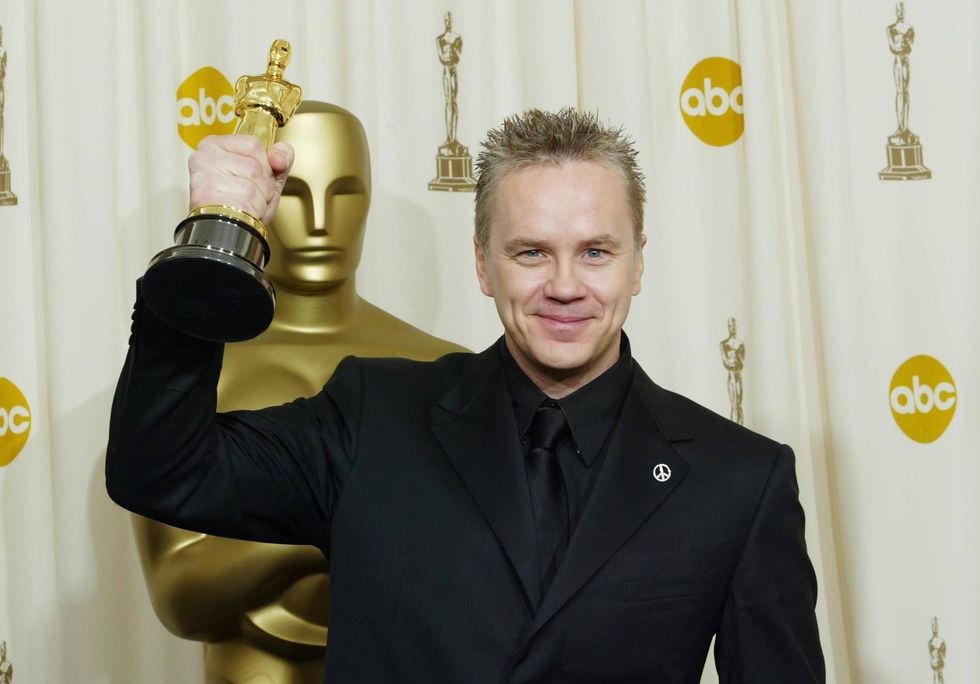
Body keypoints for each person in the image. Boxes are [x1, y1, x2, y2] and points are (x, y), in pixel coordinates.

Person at [107, 108, 824, 682]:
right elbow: (162, 470)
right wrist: (214, 245)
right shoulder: (372, 415)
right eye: (531, 251)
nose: (566, 285)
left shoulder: (739, 480)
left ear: (639, 264)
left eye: (596, 251)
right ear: (484, 265)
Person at [130, 101, 466, 683]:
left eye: (344, 193)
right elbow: (181, 598)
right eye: (293, 194)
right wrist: (351, 506)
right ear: (257, 197)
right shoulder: (196, 370)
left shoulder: (448, 369)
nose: (318, 221)